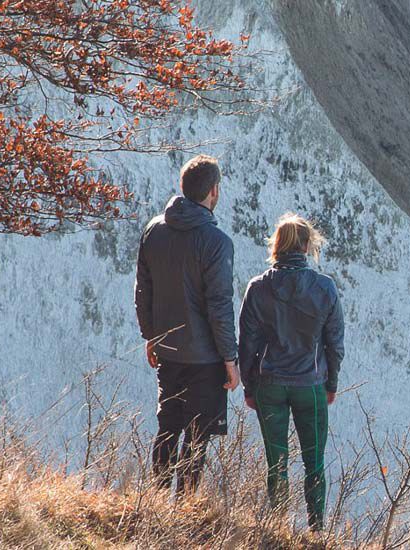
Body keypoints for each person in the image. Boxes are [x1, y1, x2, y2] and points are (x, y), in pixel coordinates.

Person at [134, 154, 240, 500]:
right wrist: (230, 357)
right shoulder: (216, 242)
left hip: (168, 349)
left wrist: (150, 335)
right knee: (198, 436)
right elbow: (219, 305)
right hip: (205, 357)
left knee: (167, 428)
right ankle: (186, 507)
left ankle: (157, 501)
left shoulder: (154, 230)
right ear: (213, 191)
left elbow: (143, 288)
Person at [238, 212, 343, 532]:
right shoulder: (325, 288)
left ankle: (280, 528)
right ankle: (317, 530)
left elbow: (247, 343)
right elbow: (334, 344)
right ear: (308, 246)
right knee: (315, 464)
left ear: (277, 246)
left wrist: (249, 387)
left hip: (270, 385)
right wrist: (331, 383)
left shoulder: (258, 287)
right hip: (310, 385)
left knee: (277, 464)